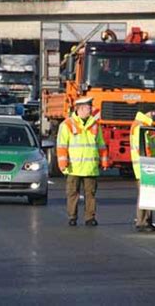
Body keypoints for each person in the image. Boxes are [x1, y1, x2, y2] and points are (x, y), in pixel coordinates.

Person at [56, 97, 109, 227]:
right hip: (74, 167)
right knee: (73, 193)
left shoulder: (95, 125)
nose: (90, 110)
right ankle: (72, 216)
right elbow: (62, 146)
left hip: (90, 167)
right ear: (79, 109)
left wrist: (104, 161)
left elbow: (101, 144)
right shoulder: (67, 124)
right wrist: (63, 163)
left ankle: (90, 218)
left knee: (90, 194)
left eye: (90, 107)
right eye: (88, 108)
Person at [130, 106, 155, 232]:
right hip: (144, 165)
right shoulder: (140, 127)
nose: (153, 114)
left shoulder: (145, 125)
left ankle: (147, 220)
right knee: (144, 194)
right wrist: (150, 161)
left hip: (148, 165)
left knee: (148, 193)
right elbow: (143, 147)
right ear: (145, 112)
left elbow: (152, 147)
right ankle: (142, 222)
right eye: (151, 111)